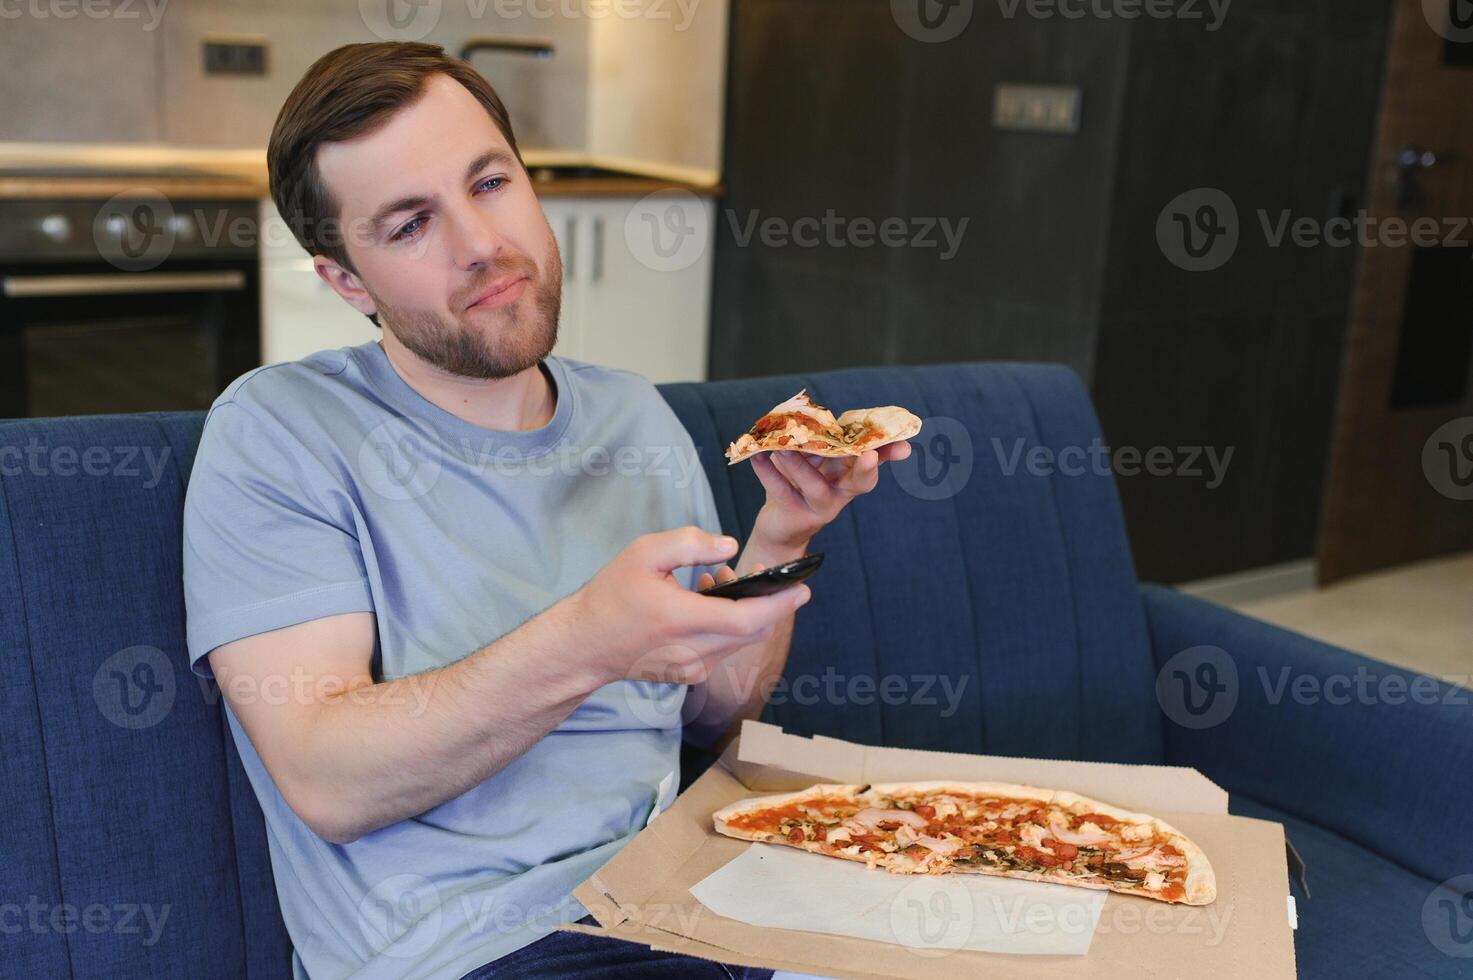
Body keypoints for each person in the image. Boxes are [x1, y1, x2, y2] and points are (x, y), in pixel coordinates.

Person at [182, 41, 910, 980]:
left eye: (489, 182)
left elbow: (711, 719)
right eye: (409, 225)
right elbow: (326, 780)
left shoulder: (632, 416)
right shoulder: (279, 432)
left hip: (683, 898)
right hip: (481, 949)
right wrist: (587, 640)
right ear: (345, 283)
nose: (480, 243)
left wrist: (785, 533)